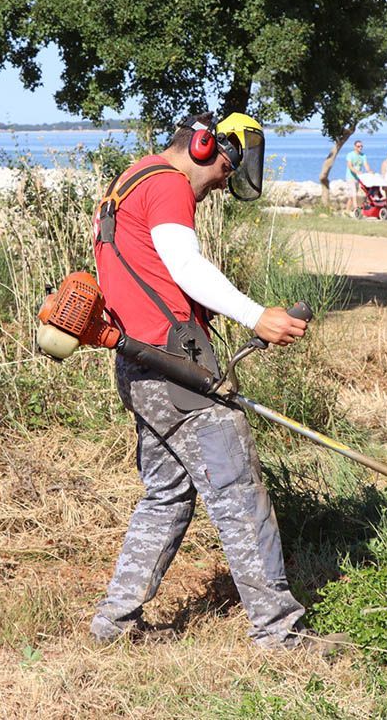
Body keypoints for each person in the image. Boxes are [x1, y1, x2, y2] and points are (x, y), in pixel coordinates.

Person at [89, 112, 340, 651]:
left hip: (139, 367)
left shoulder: (127, 182)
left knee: (167, 495)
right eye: (226, 170)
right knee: (238, 494)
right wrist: (257, 316)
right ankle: (279, 633)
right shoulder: (168, 184)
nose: (222, 184)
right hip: (175, 368)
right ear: (203, 147)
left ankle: (114, 624)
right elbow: (186, 266)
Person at [344, 139, 371, 213]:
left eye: (361, 146)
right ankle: (356, 209)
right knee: (354, 193)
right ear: (355, 147)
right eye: (358, 146)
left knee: (351, 196)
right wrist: (357, 172)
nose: (360, 147)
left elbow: (366, 165)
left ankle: (346, 211)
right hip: (350, 177)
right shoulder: (350, 155)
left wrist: (370, 171)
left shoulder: (363, 156)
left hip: (358, 178)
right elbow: (350, 166)